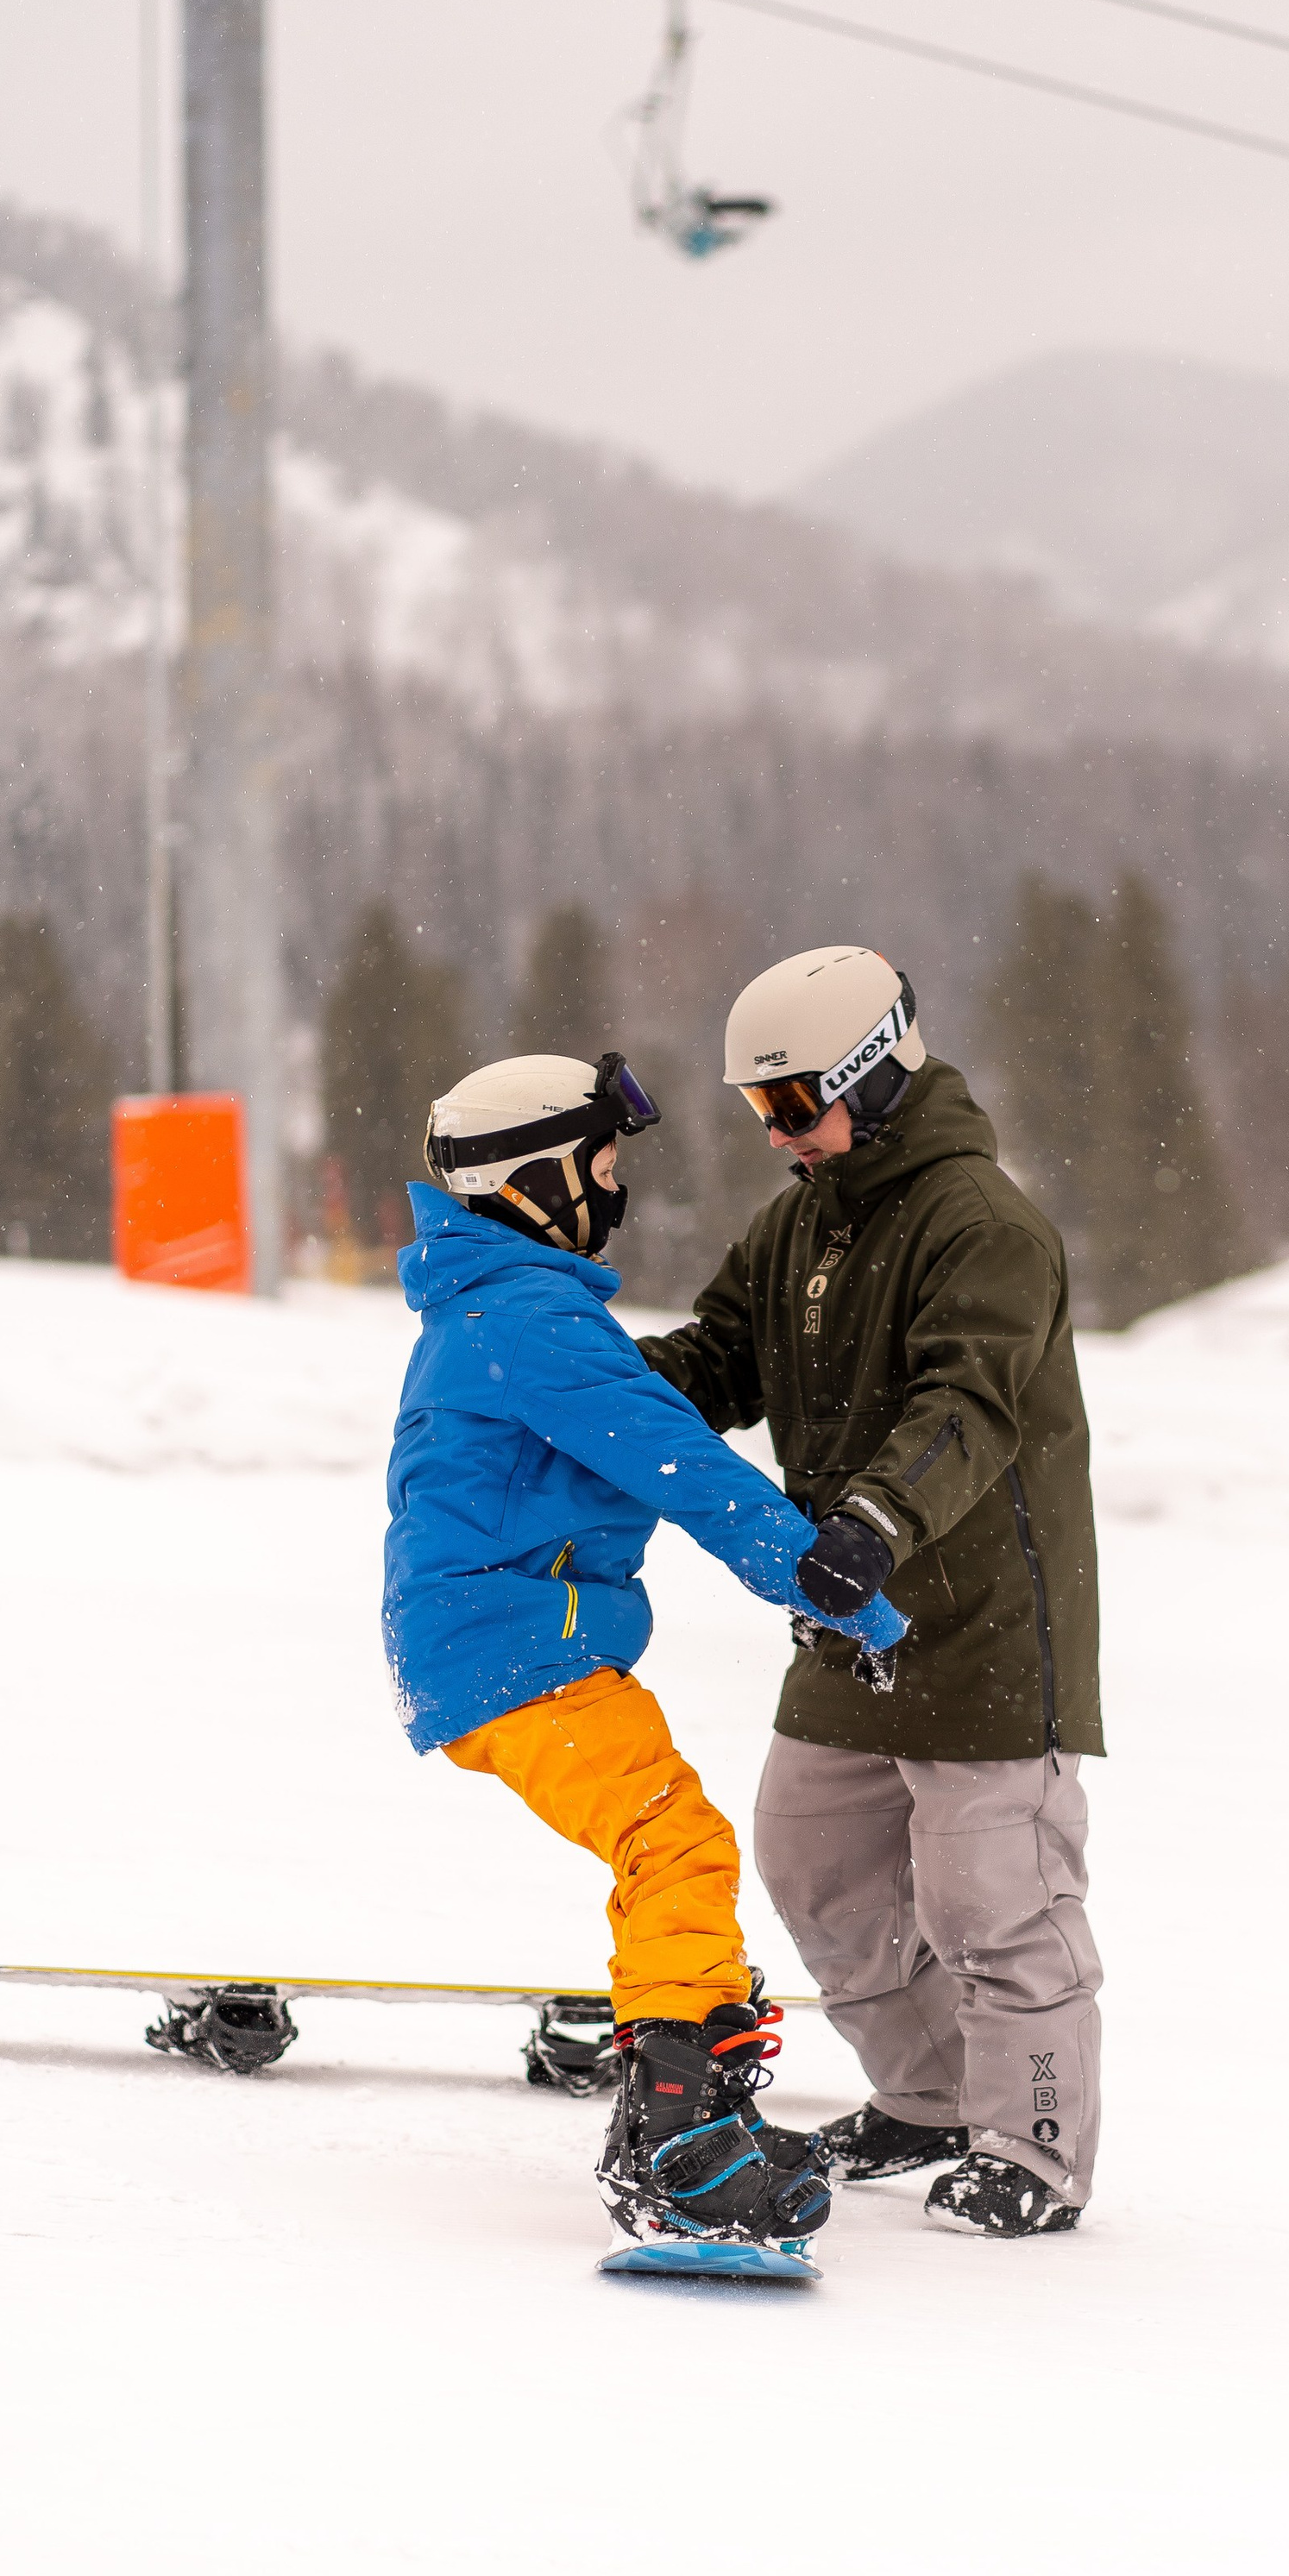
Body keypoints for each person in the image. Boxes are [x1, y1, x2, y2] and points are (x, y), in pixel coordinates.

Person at [380, 1045, 908, 2268]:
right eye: (601, 1164)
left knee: (659, 1840)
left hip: (505, 1643)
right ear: (537, 1179)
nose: (615, 1188)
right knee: (676, 1840)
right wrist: (842, 1596)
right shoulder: (529, 1318)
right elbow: (689, 1469)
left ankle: (674, 2077)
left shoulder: (502, 1301)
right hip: (515, 1650)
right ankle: (680, 2142)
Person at [638, 947, 1104, 2240]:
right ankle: (932, 2096)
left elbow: (968, 1403)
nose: (779, 1139)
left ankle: (1038, 2144)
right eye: (758, 1114)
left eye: (793, 1107)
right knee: (811, 1858)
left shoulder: (985, 1227)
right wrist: (593, 1397)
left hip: (987, 1624)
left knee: (994, 1902)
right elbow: (720, 1356)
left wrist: (875, 1520)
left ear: (876, 1079)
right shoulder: (801, 1223)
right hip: (850, 1612)